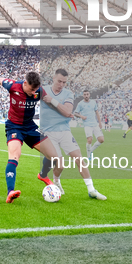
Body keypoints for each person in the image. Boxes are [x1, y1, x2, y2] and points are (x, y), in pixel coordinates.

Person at [0, 71, 59, 204]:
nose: (34, 92)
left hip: (31, 126)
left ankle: (42, 175)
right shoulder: (13, 86)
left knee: (54, 156)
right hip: (14, 126)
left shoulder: (39, 91)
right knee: (15, 155)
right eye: (31, 89)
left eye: (36, 89)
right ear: (25, 83)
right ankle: (10, 191)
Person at [39, 70, 106, 200]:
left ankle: (91, 190)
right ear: (53, 78)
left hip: (64, 131)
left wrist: (52, 100)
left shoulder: (68, 93)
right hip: (47, 133)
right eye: (59, 81)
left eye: (64, 82)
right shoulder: (43, 90)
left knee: (79, 159)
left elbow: (68, 111)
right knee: (61, 165)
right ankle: (56, 181)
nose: (61, 84)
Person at [74, 89, 105, 161]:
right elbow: (75, 113)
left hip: (95, 124)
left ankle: (90, 150)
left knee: (101, 140)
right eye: (85, 94)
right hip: (87, 125)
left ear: (89, 95)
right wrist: (81, 116)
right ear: (83, 95)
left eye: (87, 94)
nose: (86, 96)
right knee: (90, 140)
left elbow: (97, 112)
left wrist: (100, 123)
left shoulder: (93, 102)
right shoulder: (80, 104)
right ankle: (89, 156)